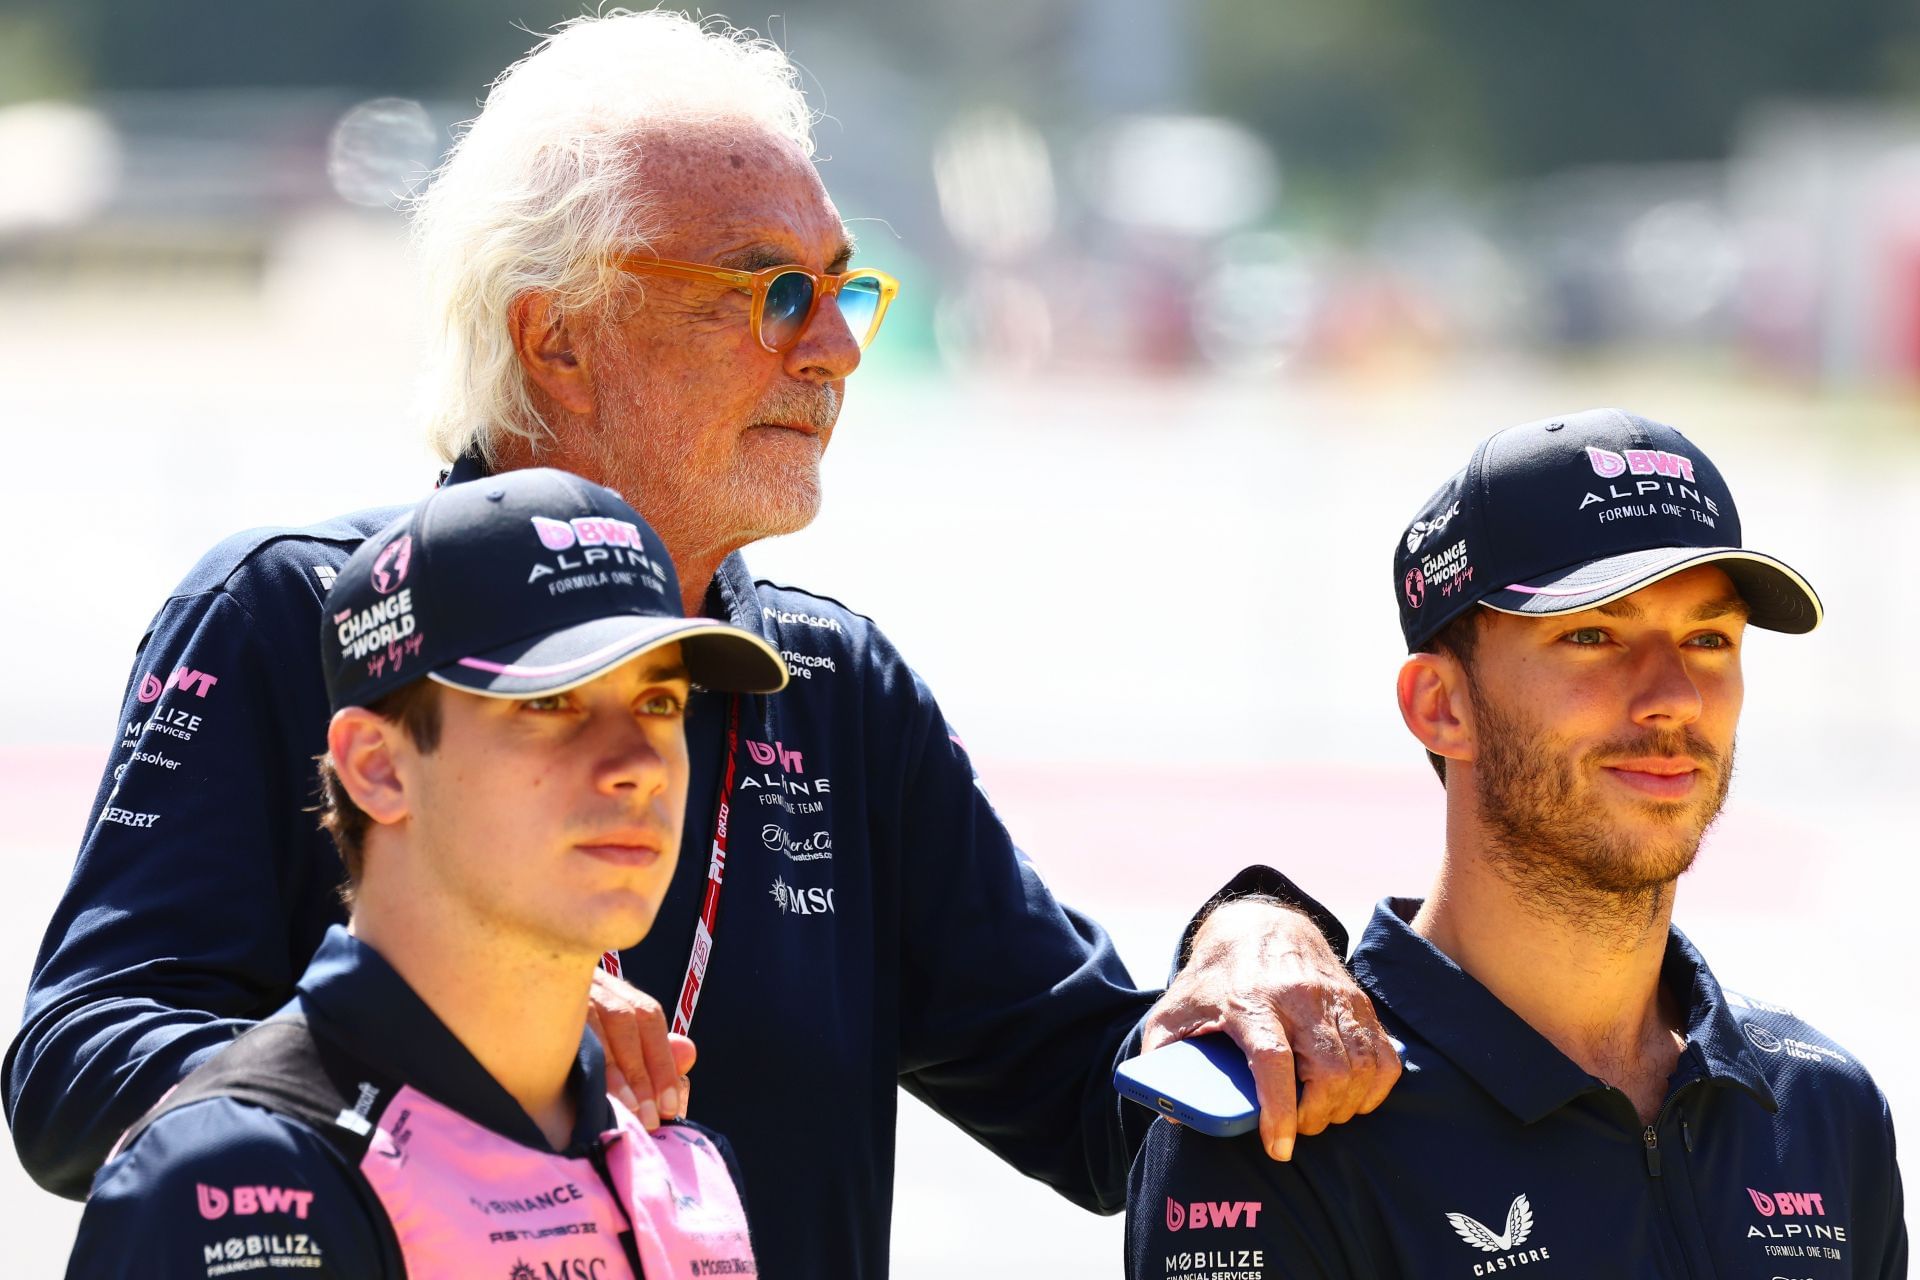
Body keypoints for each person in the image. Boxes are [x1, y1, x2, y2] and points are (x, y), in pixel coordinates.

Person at [9, 11, 1398, 1277]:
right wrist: (457, 1047)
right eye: (769, 292)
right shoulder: (295, 618)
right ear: (559, 338)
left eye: (846, 293)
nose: (835, 352)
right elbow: (75, 1075)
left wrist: (1251, 937)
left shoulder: (836, 685)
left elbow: (1092, 1102)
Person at [1126, 408, 1907, 1279]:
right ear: (1441, 706)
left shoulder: (1822, 1109)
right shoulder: (1284, 1117)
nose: (1674, 695)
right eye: (1592, 635)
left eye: (1708, 639)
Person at [65, 467, 789, 1278]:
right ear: (377, 767)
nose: (638, 767)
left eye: (659, 703)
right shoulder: (239, 1183)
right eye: (550, 703)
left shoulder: (685, 1171)